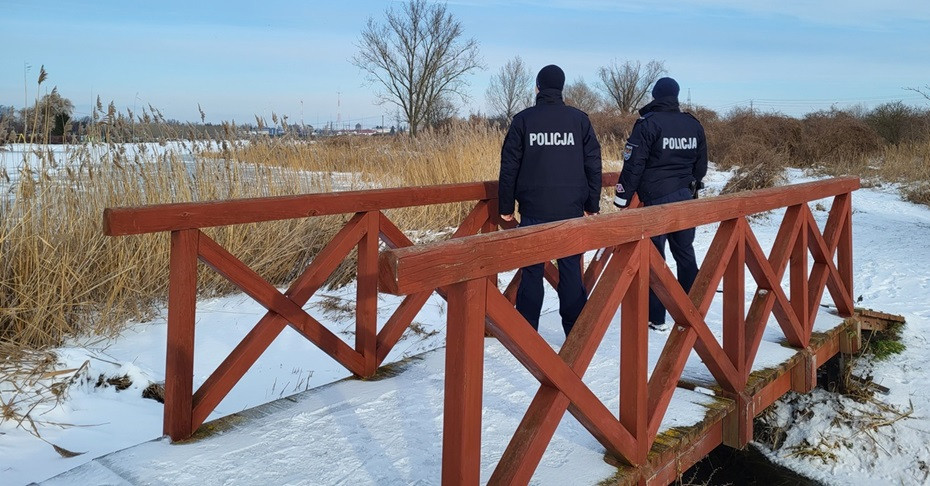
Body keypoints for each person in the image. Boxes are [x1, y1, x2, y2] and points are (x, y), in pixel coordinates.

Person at [498, 64, 603, 337]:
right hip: (570, 208)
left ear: (538, 87)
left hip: (533, 208)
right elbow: (593, 164)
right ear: (562, 87)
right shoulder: (579, 120)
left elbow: (509, 166)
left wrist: (506, 207)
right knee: (571, 273)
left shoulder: (523, 120)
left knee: (531, 272)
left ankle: (527, 336)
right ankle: (575, 335)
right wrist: (592, 205)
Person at [613, 77, 708, 332]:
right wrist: (689, 185)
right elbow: (701, 167)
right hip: (685, 199)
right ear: (676, 96)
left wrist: (622, 199)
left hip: (656, 200)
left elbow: (634, 165)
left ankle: (656, 317)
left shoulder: (648, 124)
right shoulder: (693, 124)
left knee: (656, 259)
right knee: (685, 252)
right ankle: (692, 310)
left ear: (655, 95)